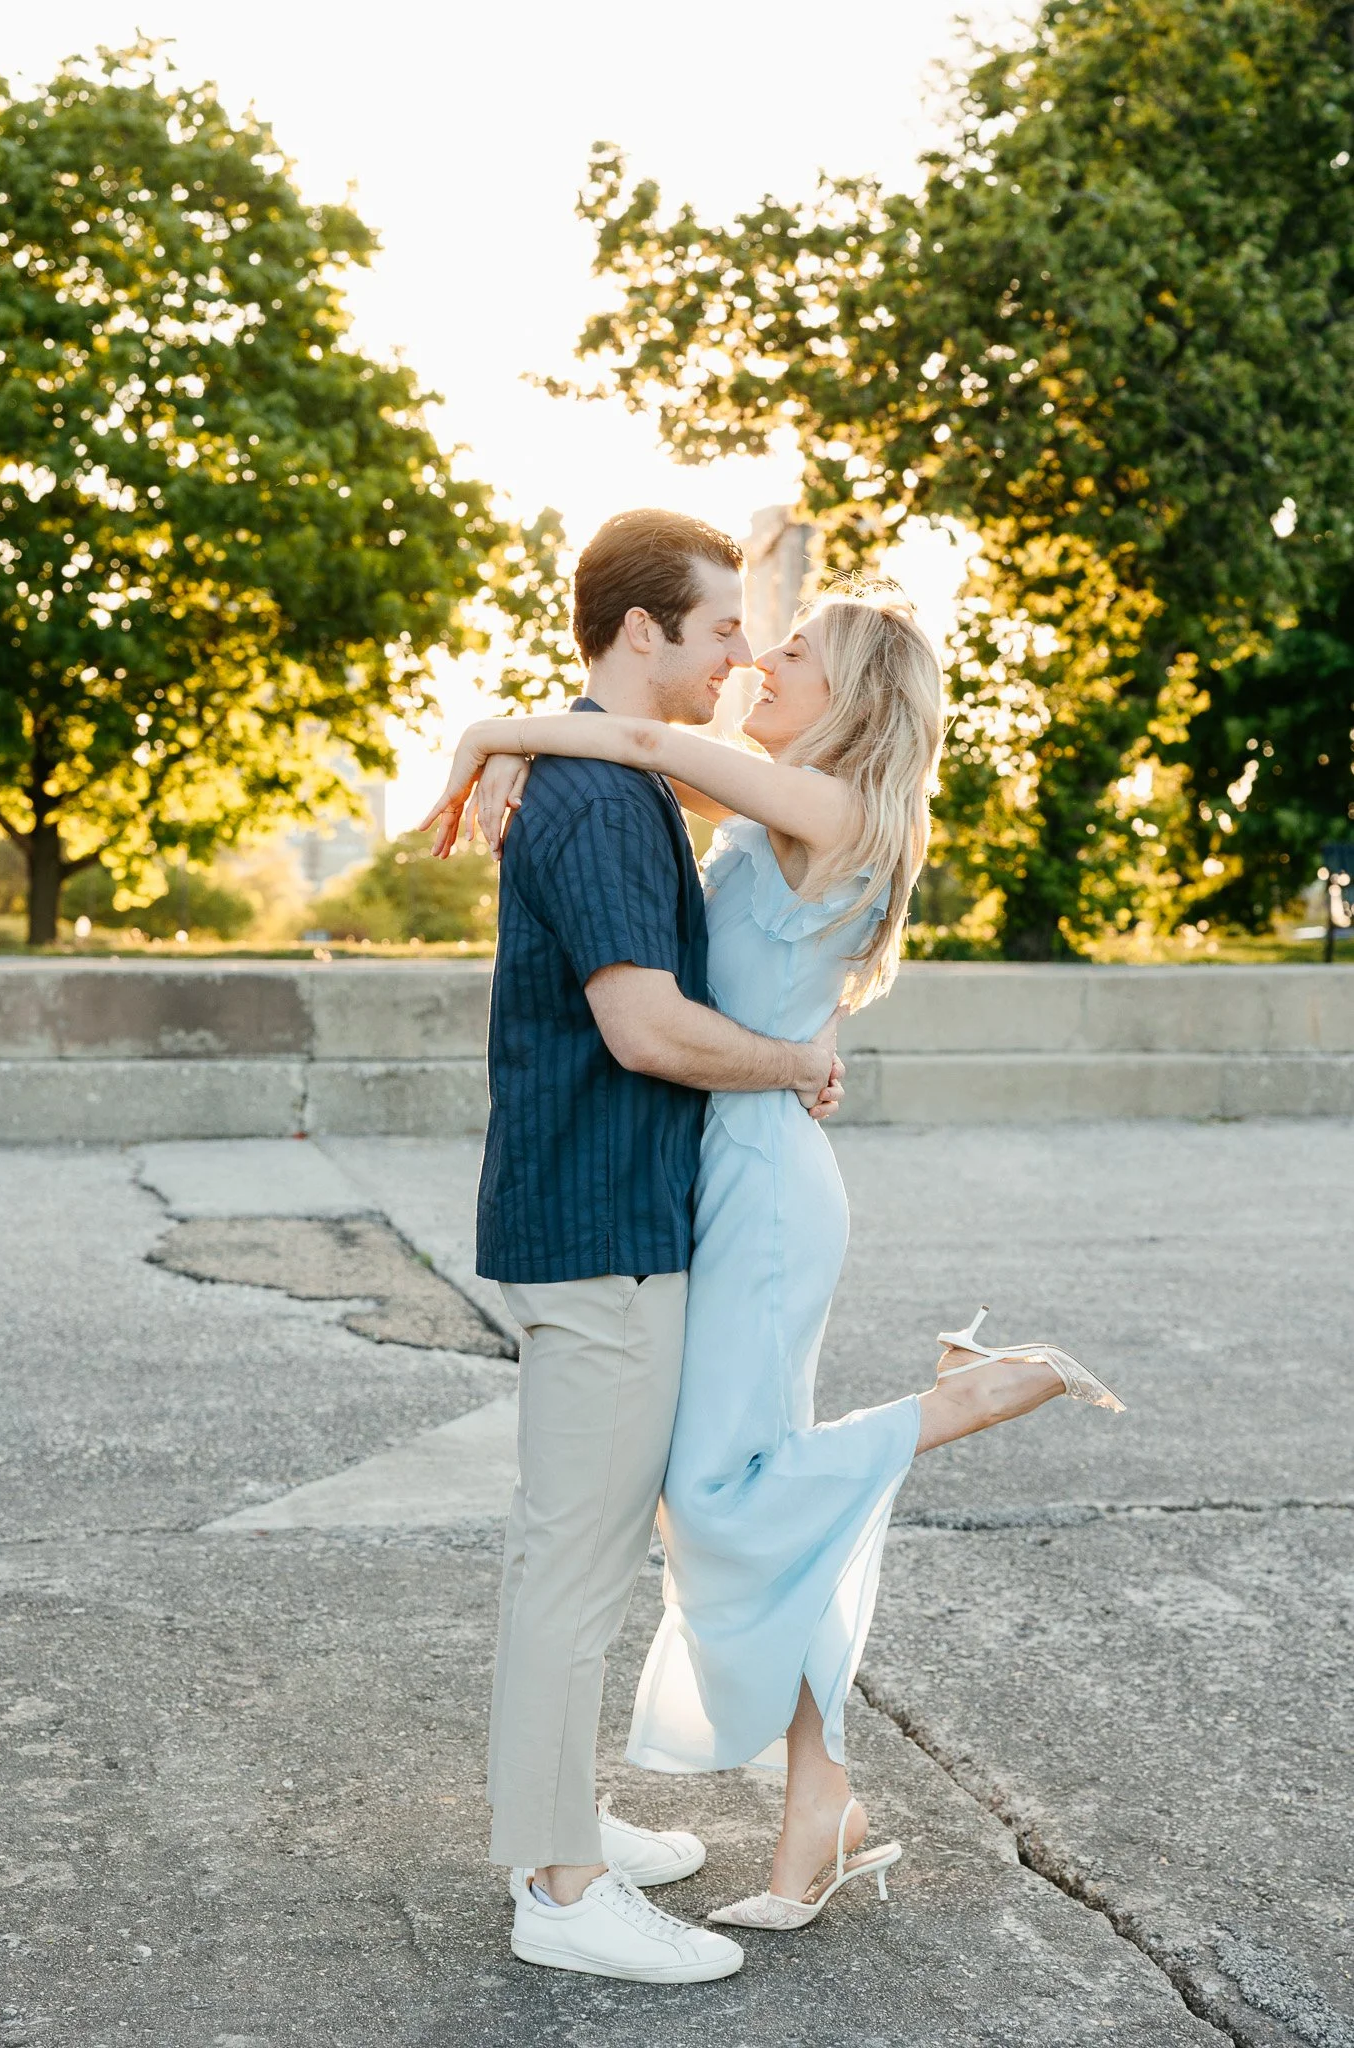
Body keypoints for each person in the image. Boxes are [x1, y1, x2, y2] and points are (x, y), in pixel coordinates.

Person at [425, 553, 1125, 1939]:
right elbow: (623, 770)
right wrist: (526, 756)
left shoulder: (832, 801)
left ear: (848, 696)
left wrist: (490, 731)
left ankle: (957, 1401)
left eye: (788, 651)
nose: (758, 659)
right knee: (719, 1499)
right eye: (745, 636)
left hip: (756, 1178)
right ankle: (818, 1793)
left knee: (722, 1491)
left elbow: (632, 736)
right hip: (725, 1163)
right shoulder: (780, 795)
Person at [424, 509, 846, 1986]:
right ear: (642, 631)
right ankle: (558, 1890)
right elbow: (644, 1027)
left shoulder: (611, 781)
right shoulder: (603, 804)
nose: (742, 650)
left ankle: (561, 1818)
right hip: (597, 1224)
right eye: (722, 625)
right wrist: (793, 1065)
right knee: (575, 1564)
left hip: (602, 1213)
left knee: (584, 1552)